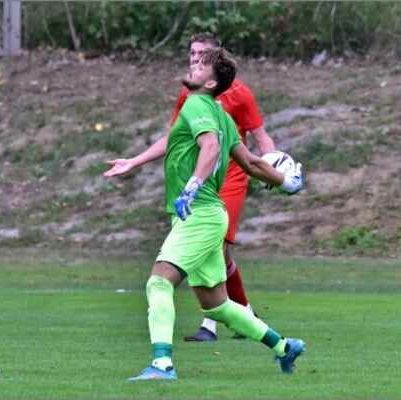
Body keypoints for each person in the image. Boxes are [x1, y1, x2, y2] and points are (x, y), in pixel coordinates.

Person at [104, 47, 305, 380]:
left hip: (198, 213)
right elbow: (252, 163)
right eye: (194, 61)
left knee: (158, 283)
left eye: (201, 65)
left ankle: (162, 365)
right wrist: (287, 182)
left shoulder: (197, 104)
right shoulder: (219, 114)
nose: (193, 65)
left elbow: (210, 148)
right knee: (217, 306)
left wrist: (192, 185)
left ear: (211, 82)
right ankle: (284, 346)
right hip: (211, 215)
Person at [172, 33, 277, 342]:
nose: (195, 59)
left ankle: (210, 325)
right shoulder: (188, 94)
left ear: (216, 59)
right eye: (192, 53)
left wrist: (274, 168)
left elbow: (260, 137)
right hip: (202, 181)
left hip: (230, 180)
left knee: (212, 248)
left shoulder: (240, 94)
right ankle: (246, 314)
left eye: (202, 54)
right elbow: (174, 136)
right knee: (223, 257)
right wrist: (136, 161)